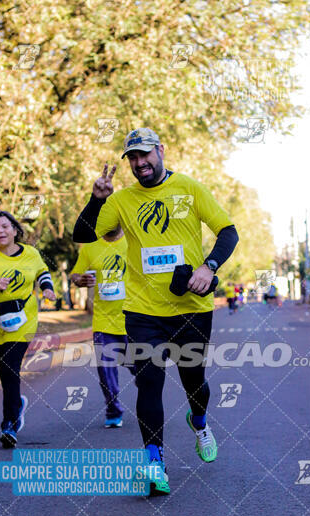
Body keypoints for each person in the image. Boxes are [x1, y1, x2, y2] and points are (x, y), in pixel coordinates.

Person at [73, 127, 239, 495]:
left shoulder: (190, 188)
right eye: (132, 157)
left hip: (191, 307)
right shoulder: (122, 200)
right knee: (149, 381)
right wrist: (96, 199)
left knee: (194, 381)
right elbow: (83, 235)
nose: (139, 163)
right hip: (143, 311)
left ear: (161, 150)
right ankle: (154, 461)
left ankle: (199, 420)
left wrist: (208, 266)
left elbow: (228, 231)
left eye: (144, 154)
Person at [0, 210, 56, 448]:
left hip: (23, 321)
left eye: (4, 227)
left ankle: (8, 424)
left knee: (11, 370)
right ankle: (17, 405)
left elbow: (42, 272)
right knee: (5, 372)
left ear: (15, 230)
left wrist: (48, 289)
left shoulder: (30, 253)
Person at [71, 227, 136, 428]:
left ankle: (147, 401)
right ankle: (113, 410)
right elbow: (75, 274)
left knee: (142, 370)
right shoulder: (90, 246)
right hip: (103, 320)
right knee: (105, 370)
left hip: (134, 318)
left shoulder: (135, 240)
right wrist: (79, 280)